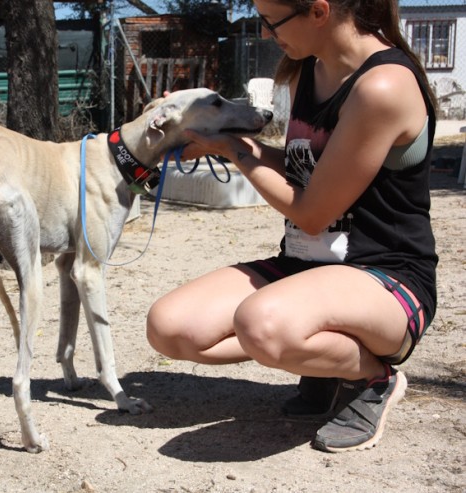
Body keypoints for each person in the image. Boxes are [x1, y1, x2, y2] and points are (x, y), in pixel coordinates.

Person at [146, 0, 438, 452]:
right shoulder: (310, 70)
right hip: (305, 265)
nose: (265, 33)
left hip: (386, 275)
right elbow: (309, 169)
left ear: (318, 11)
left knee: (262, 324)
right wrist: (214, 137)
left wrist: (234, 152)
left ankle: (371, 377)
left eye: (271, 20)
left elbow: (312, 212)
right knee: (170, 327)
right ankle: (329, 366)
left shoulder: (382, 85)